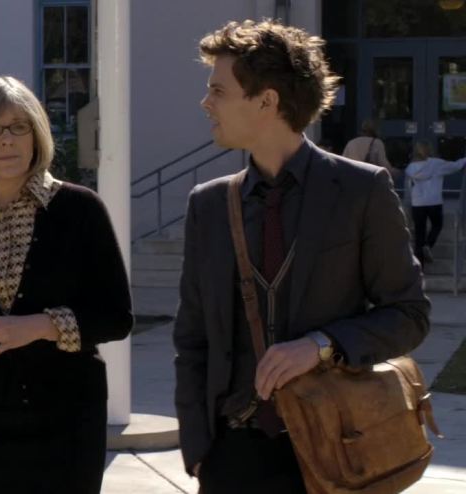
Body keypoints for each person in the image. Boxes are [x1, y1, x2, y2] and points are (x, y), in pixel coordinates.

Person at [174, 20, 430, 494]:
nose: (206, 103)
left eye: (218, 91)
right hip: (233, 455)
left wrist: (322, 344)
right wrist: (199, 449)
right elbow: (192, 338)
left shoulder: (361, 190)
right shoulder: (208, 205)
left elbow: (409, 315)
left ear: (267, 101)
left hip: (339, 447)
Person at [0, 75, 133, 494]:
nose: (7, 140)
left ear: (36, 134)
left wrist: (41, 326)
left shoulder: (81, 210)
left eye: (19, 126)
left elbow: (116, 317)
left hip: (66, 420)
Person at [405, 140, 466, 267]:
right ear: (430, 150)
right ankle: (428, 245)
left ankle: (419, 268)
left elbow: (409, 187)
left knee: (419, 234)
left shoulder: (411, 168)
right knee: (437, 225)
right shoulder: (436, 164)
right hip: (434, 201)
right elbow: (455, 166)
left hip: (418, 203)